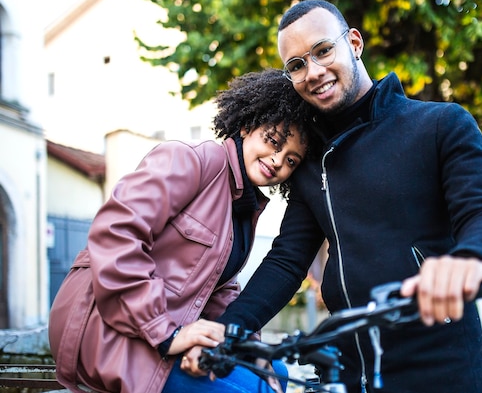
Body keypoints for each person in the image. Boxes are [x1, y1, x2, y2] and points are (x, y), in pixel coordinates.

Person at [190, 0, 482, 393]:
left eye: (323, 50)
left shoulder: (442, 125)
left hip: (440, 366)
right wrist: (228, 329)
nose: (314, 72)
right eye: (297, 65)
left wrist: (472, 260)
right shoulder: (311, 161)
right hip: (344, 372)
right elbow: (288, 259)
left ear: (354, 43)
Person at [48, 68, 317, 393]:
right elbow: (116, 235)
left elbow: (218, 290)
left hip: (161, 331)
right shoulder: (192, 161)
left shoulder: (246, 204)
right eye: (272, 141)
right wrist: (166, 334)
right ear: (247, 126)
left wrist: (241, 344)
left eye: (291, 160)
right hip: (106, 327)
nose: (276, 161)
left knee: (275, 372)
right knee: (252, 391)